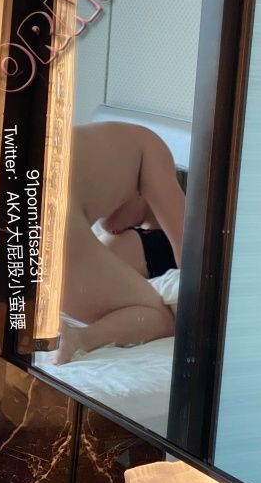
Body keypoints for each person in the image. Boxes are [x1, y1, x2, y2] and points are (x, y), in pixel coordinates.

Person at [45, 121, 185, 365]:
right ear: (144, 194)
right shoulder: (154, 150)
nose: (113, 229)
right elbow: (190, 251)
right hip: (45, 205)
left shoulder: (108, 143)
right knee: (160, 318)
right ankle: (80, 338)